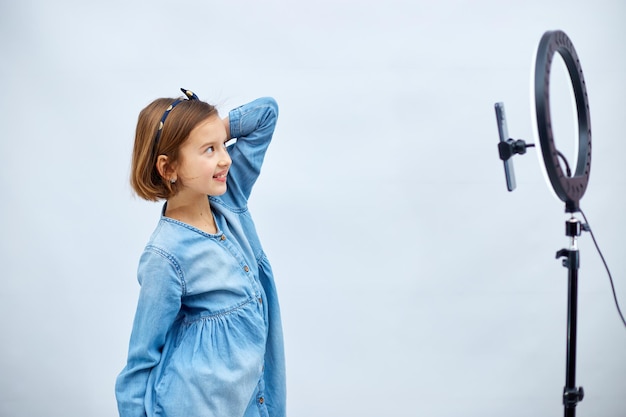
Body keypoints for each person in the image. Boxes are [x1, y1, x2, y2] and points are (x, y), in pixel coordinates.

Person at [115, 89, 286, 417]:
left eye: (223, 145)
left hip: (250, 401)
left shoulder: (228, 199)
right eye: (209, 150)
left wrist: (206, 127)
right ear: (168, 168)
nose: (225, 159)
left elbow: (267, 113)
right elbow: (140, 363)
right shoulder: (165, 255)